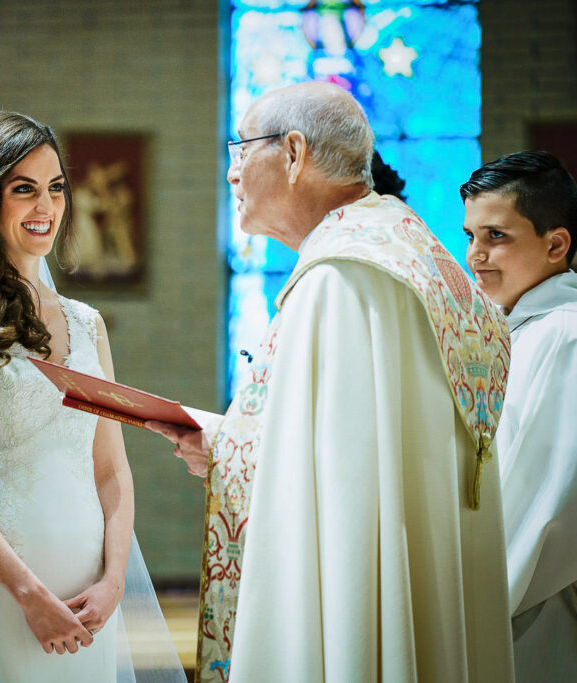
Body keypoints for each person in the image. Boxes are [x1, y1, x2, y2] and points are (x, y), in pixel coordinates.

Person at [148, 82, 514, 682]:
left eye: (242, 148)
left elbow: (336, 487)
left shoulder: (342, 277)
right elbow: (349, 456)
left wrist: (227, 446)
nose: (233, 172)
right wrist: (226, 439)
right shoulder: (404, 247)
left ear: (293, 154)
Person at [0, 111, 184, 682]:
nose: (46, 208)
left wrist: (114, 580)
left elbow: (111, 471)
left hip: (90, 600)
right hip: (3, 599)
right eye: (24, 190)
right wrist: (28, 594)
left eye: (56, 188)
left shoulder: (87, 324)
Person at [461, 150, 577, 681]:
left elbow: (543, 502)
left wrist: (466, 610)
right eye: (471, 236)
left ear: (555, 244)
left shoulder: (564, 334)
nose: (476, 256)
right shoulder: (523, 329)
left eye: (496, 237)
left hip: (534, 604)